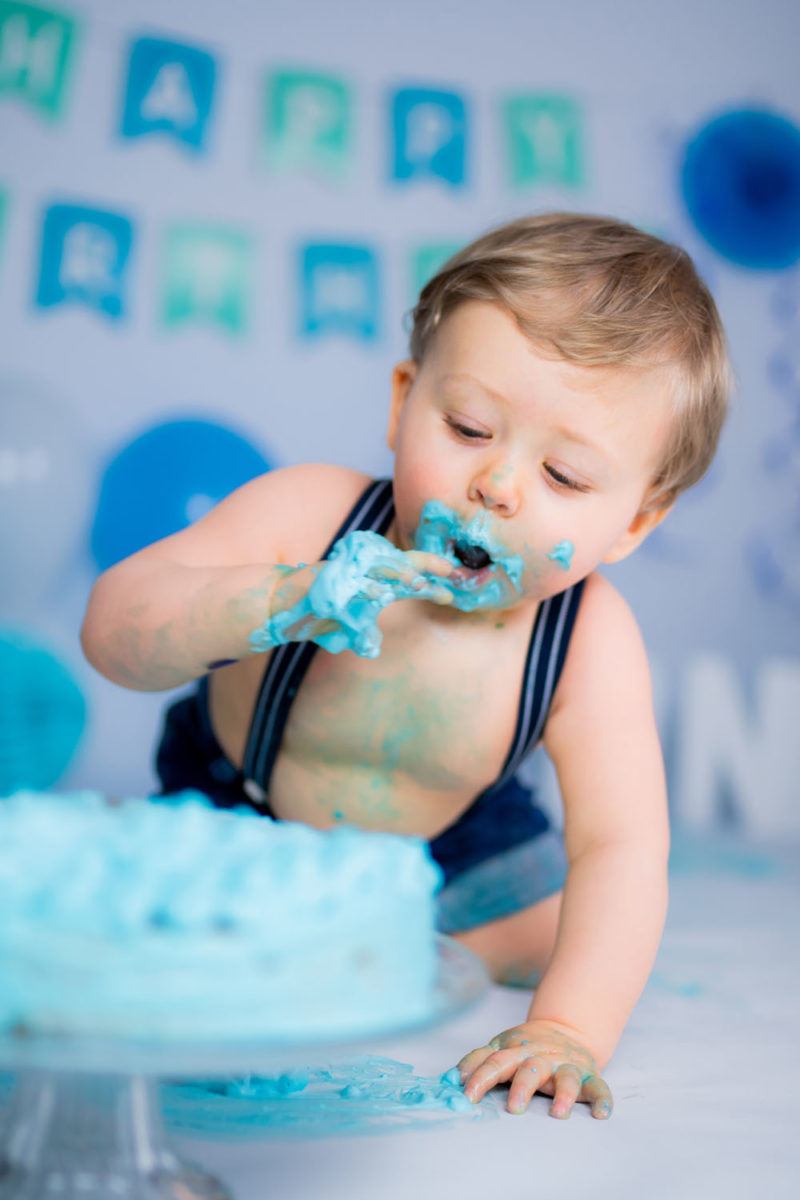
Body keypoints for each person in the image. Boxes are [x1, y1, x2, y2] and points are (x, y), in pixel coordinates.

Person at [81, 212, 731, 1121]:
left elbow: (620, 846)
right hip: (247, 812)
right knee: (145, 949)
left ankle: (405, 939)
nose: (498, 486)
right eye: (468, 427)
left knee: (578, 943)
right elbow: (114, 628)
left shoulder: (588, 640)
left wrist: (569, 1029)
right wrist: (278, 599)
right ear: (401, 401)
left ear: (635, 522)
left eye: (566, 478)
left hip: (458, 849)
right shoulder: (309, 513)